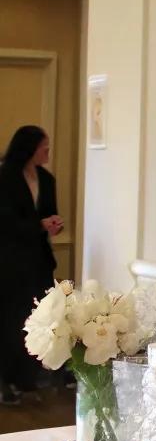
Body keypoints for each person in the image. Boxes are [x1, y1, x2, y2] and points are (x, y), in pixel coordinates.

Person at [0, 126, 64, 404]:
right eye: (44, 148)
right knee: (9, 319)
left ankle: (28, 377)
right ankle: (6, 379)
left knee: (36, 317)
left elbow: (50, 214)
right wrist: (38, 225)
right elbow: (4, 221)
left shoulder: (46, 179)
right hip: (10, 260)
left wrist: (54, 225)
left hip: (38, 260)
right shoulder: (4, 176)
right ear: (29, 148)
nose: (48, 153)